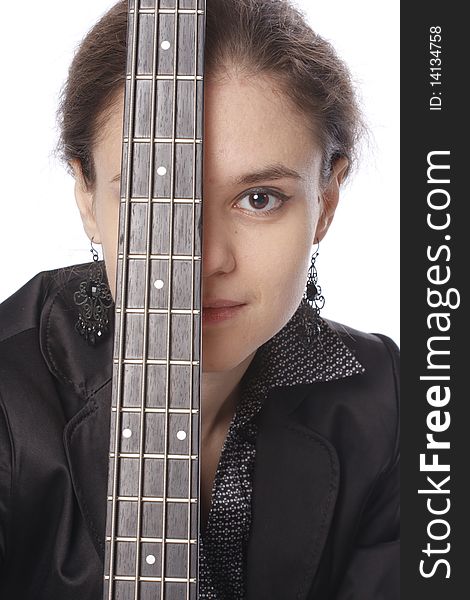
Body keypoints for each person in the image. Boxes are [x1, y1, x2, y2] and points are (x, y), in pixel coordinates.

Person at [0, 0, 399, 598]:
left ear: (328, 199)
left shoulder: (392, 403)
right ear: (85, 193)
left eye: (259, 198)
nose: (206, 258)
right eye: (155, 196)